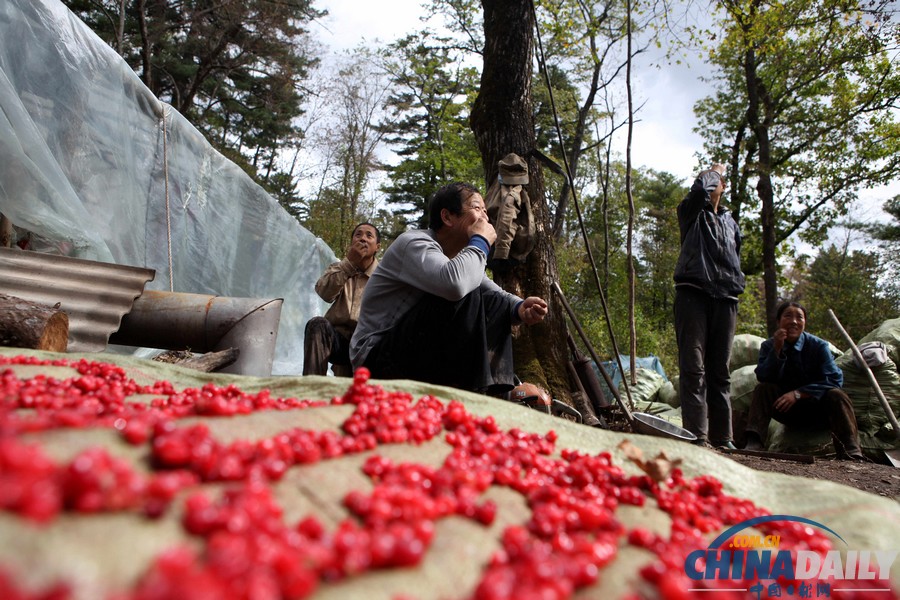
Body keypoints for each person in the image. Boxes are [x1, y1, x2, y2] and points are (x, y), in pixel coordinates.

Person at [349, 181, 548, 394]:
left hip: (413, 353)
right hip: (375, 360)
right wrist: (480, 240)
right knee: (464, 287)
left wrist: (519, 308)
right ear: (447, 217)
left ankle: (496, 391)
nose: (485, 217)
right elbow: (455, 284)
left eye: (484, 210)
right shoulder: (414, 243)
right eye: (476, 208)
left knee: (485, 294)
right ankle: (478, 391)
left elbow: (492, 292)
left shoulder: (457, 259)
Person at [674, 163, 745, 449]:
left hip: (726, 297)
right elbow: (701, 190)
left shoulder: (731, 221)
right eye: (709, 181)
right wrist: (714, 170)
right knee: (693, 368)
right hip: (693, 294)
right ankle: (696, 437)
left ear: (724, 187)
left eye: (719, 181)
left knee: (720, 372)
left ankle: (723, 438)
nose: (714, 184)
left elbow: (735, 256)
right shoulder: (690, 212)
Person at [743, 302, 865, 461]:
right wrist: (777, 350)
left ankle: (850, 450)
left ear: (804, 323)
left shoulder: (819, 346)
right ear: (779, 321)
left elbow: (835, 379)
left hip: (817, 410)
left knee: (837, 394)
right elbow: (763, 376)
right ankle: (754, 442)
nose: (794, 321)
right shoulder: (769, 345)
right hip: (786, 411)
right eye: (788, 316)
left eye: (799, 317)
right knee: (763, 388)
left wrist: (799, 394)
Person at [303, 223, 380, 376]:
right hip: (339, 341)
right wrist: (349, 263)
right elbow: (324, 293)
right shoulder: (339, 268)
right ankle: (312, 389)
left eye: (369, 235)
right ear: (352, 242)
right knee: (317, 325)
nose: (363, 239)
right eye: (358, 235)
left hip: (370, 345)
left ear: (377, 246)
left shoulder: (384, 275)